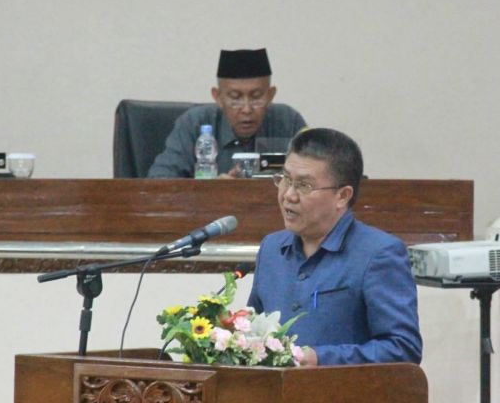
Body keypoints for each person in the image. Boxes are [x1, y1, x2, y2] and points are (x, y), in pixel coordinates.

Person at [247, 128, 422, 366]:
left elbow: (403, 348)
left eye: (304, 186)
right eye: (285, 179)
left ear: (342, 196)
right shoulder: (271, 248)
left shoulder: (378, 254)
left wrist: (321, 359)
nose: (288, 195)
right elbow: (254, 333)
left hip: (342, 390)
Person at [147, 48, 307, 178]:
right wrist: (213, 191)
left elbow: (314, 177)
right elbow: (159, 181)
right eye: (235, 98)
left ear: (270, 95)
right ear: (218, 97)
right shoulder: (194, 123)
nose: (246, 109)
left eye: (256, 97)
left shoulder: (289, 122)